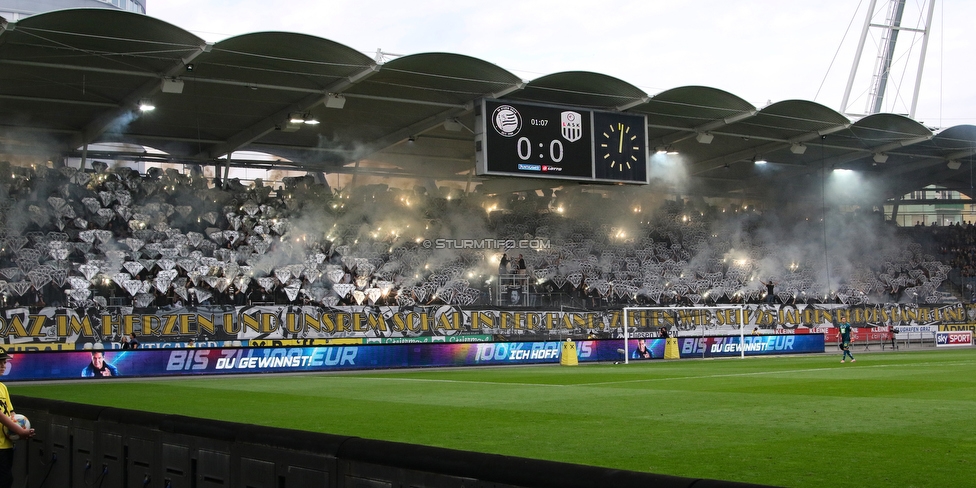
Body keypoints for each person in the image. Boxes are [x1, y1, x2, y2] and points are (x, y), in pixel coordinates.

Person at [0, 348, 36, 488]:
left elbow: (11, 414)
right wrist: (20, 431)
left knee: (6, 480)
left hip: (6, 445)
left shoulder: (2, 387)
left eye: (4, 362)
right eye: (0, 362)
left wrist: (21, 427)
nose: (3, 365)